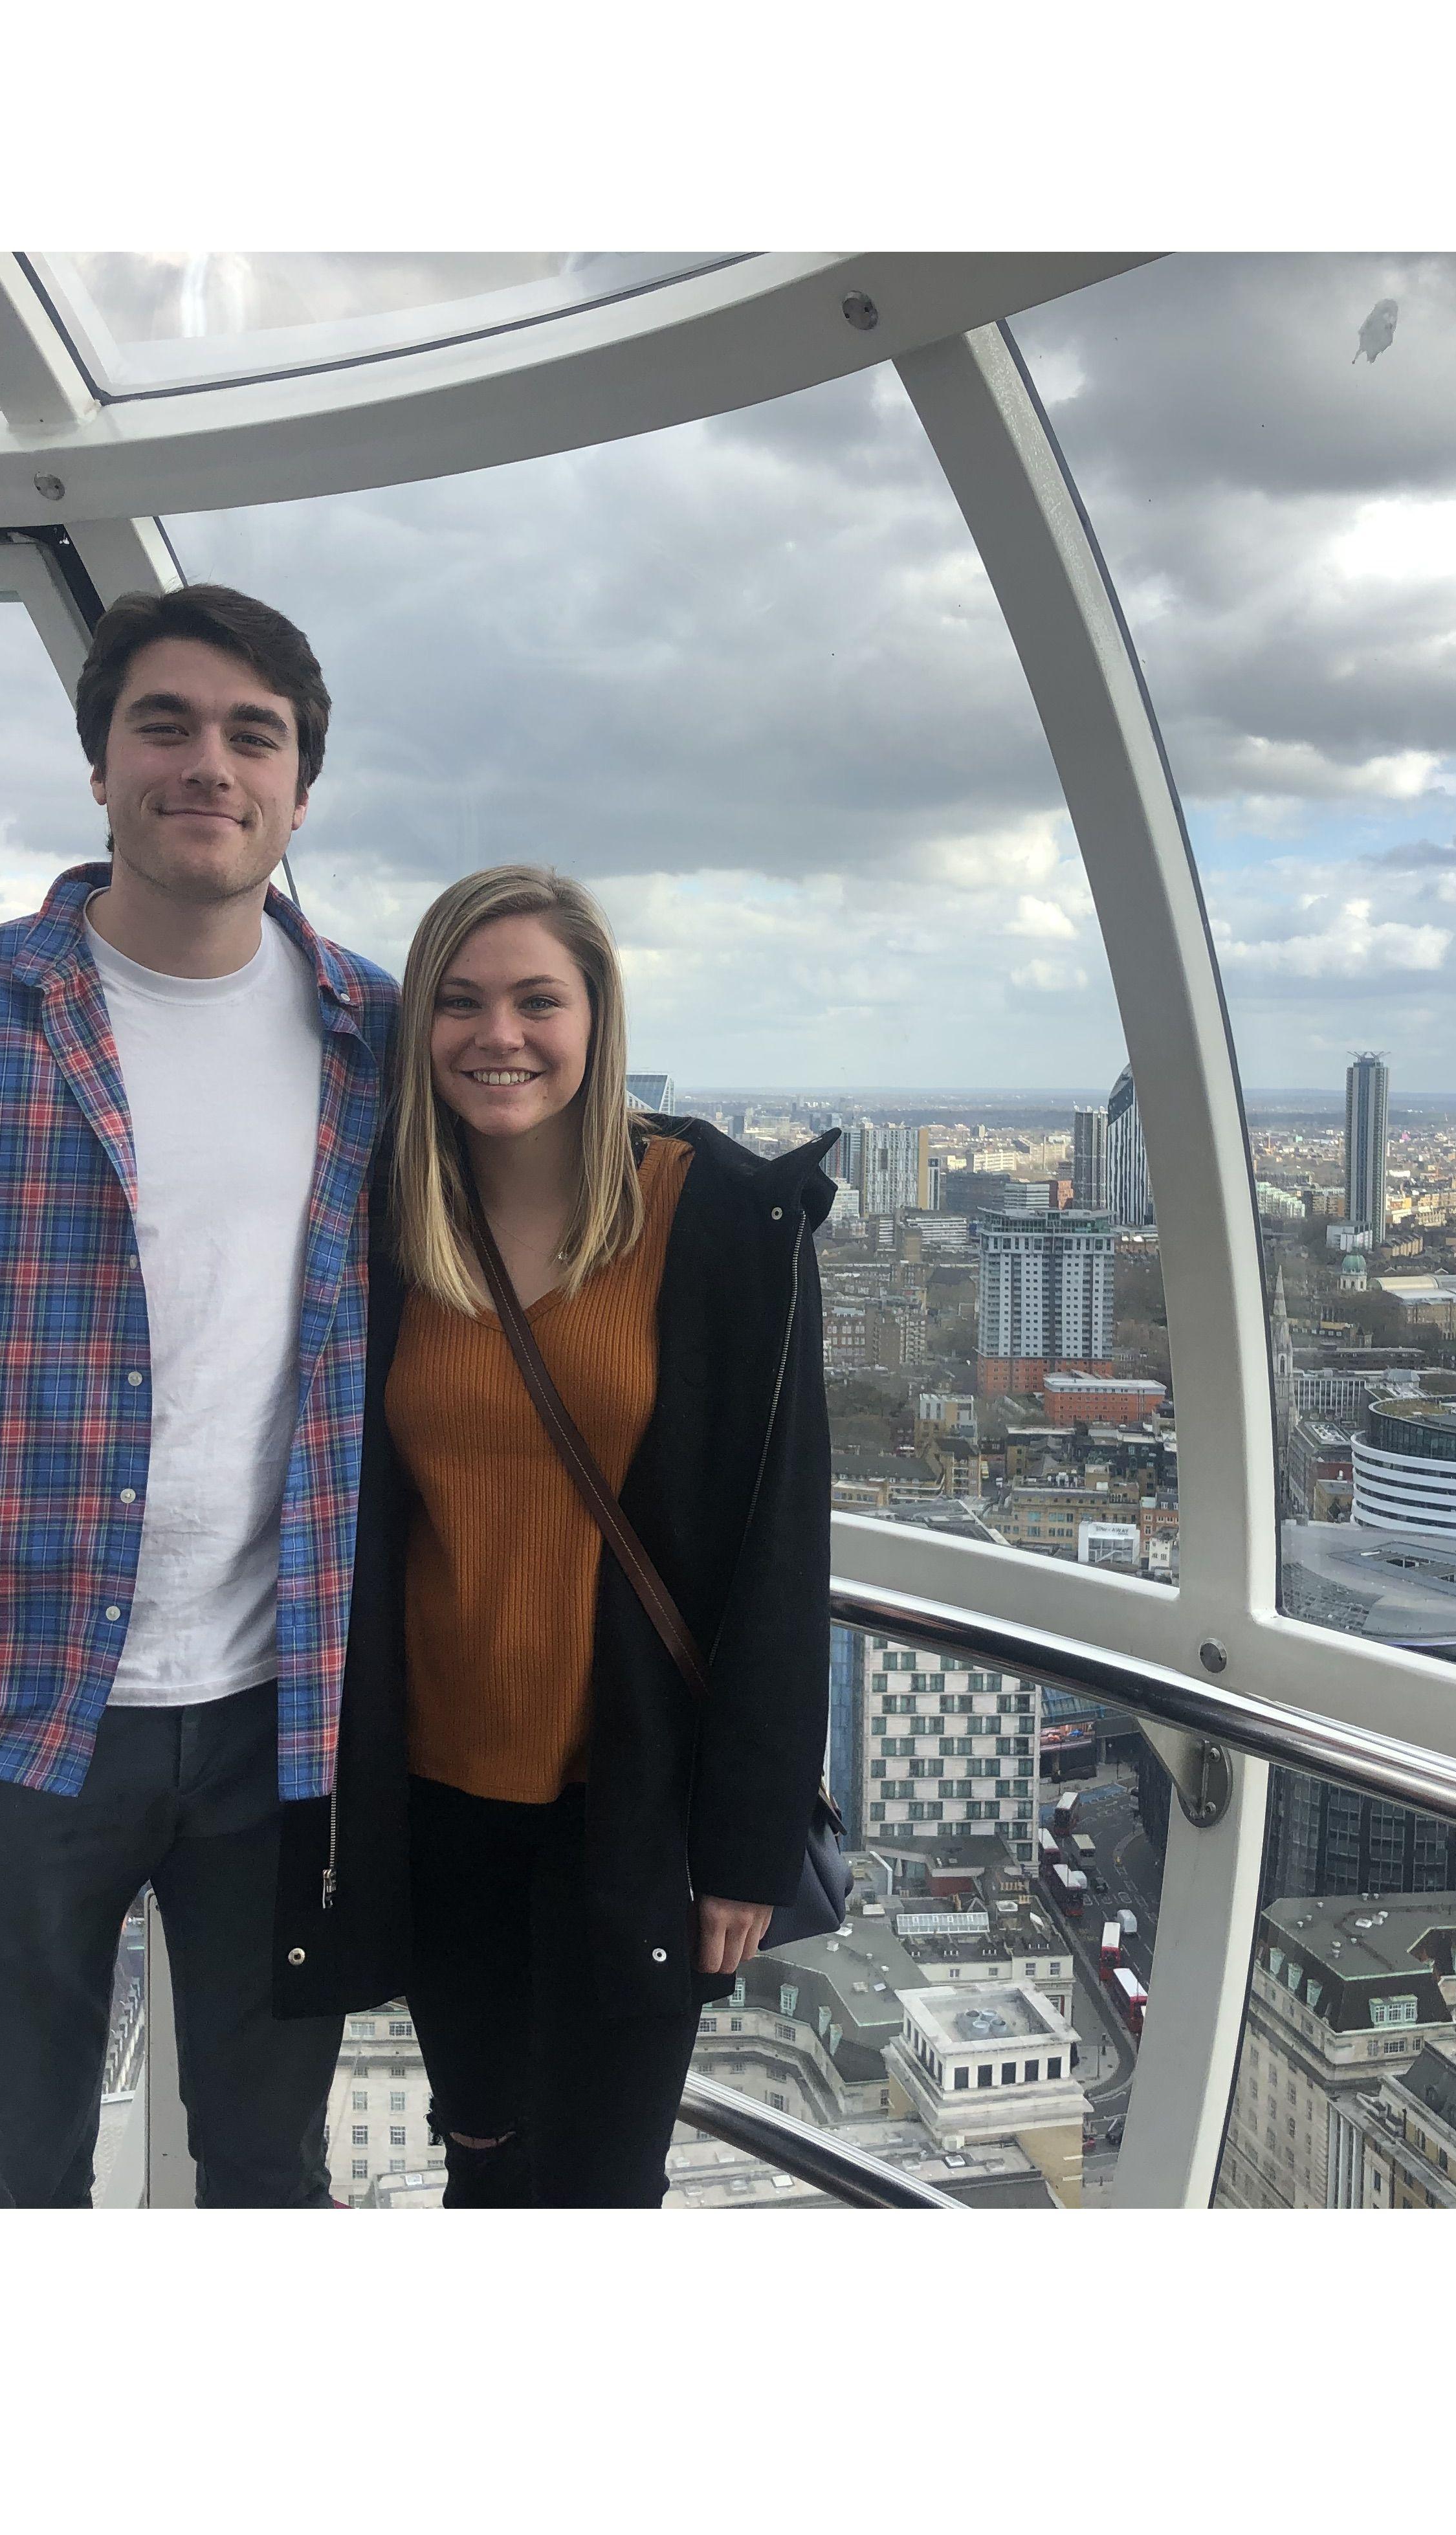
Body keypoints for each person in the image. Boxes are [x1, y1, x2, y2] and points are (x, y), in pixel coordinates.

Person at [0, 582, 397, 2208]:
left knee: (270, 2164)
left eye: (253, 736)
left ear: (300, 790)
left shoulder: (376, 1033)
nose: (210, 763)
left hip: (285, 1718)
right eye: (165, 725)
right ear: (102, 765)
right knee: (18, 2166)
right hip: (1, 1721)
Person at [270, 865, 835, 2208]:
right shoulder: (382, 1218)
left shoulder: (719, 1219)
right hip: (434, 1793)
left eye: (538, 1001)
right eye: (459, 1002)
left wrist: (744, 1846)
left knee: (601, 2183)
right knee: (481, 2156)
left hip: (629, 1805)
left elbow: (776, 1551)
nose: (498, 1036)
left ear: (598, 1018)